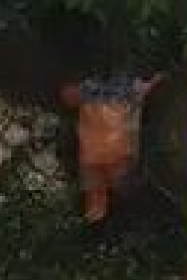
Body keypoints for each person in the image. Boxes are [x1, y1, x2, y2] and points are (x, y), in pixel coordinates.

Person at [60, 68, 161, 225]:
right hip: (107, 152)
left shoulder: (95, 89)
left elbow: (68, 96)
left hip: (104, 152)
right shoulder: (107, 89)